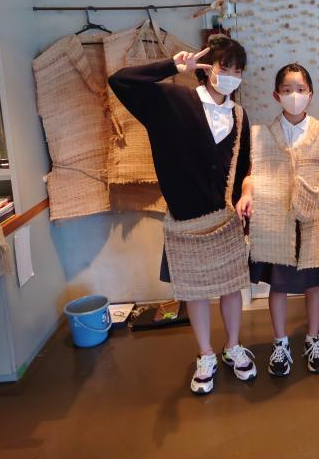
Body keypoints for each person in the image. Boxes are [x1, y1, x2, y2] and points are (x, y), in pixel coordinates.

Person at [108, 35, 257, 395]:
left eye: (238, 70)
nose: (231, 76)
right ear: (207, 69)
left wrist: (246, 194)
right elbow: (120, 81)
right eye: (225, 68)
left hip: (225, 219)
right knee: (196, 291)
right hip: (185, 220)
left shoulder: (238, 114)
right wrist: (172, 67)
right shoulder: (171, 100)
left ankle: (233, 346)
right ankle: (205, 354)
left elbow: (244, 167)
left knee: (231, 288)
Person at [237, 63, 319, 376]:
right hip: (275, 219)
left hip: (314, 217)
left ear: (310, 94)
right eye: (287, 90)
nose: (294, 95)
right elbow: (253, 174)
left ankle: (313, 338)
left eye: (300, 89)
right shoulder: (261, 134)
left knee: (313, 284)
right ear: (276, 95)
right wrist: (246, 193)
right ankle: (280, 342)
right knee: (278, 285)